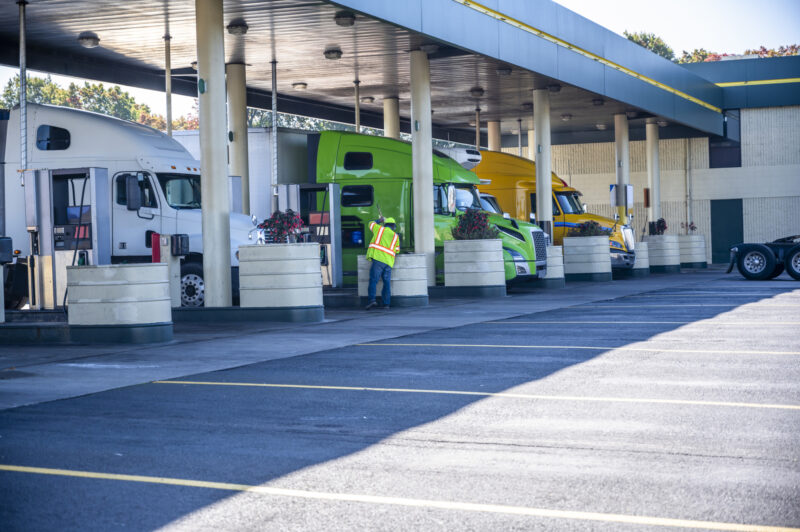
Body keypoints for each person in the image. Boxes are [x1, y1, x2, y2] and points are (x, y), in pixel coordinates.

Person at [365, 216, 400, 310]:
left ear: (385, 224)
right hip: (389, 263)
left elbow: (370, 223)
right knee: (386, 283)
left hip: (378, 259)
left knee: (373, 280)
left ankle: (372, 300)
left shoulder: (379, 229)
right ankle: (386, 304)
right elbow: (397, 250)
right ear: (393, 226)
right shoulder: (396, 236)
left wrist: (379, 220)